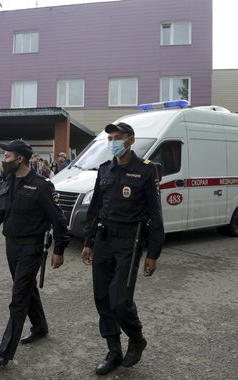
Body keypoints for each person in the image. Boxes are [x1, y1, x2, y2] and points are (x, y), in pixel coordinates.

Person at [0, 139, 71, 367]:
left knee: (19, 297)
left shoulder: (41, 185)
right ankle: (40, 326)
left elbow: (58, 219)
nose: (4, 160)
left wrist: (60, 249)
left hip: (31, 247)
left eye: (8, 156)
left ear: (20, 159)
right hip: (12, 245)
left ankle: (4, 352)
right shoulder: (8, 181)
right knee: (27, 288)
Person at [80, 122, 164, 375]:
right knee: (102, 299)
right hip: (104, 241)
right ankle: (113, 351)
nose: (113, 142)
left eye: (118, 137)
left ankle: (136, 338)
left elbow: (156, 215)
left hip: (130, 242)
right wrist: (88, 241)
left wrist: (153, 254)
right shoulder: (105, 170)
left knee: (119, 301)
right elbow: (95, 209)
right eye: (110, 138)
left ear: (131, 140)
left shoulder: (146, 171)